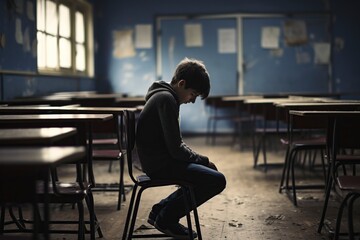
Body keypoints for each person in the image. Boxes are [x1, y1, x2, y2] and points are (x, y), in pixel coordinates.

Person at [136, 57, 226, 239]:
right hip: (159, 165)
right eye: (193, 94)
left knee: (207, 172)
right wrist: (204, 160)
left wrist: (200, 161)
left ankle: (160, 210)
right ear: (182, 83)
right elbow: (177, 149)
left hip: (157, 161)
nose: (192, 100)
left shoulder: (163, 96)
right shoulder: (166, 99)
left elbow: (176, 146)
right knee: (217, 180)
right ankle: (166, 219)